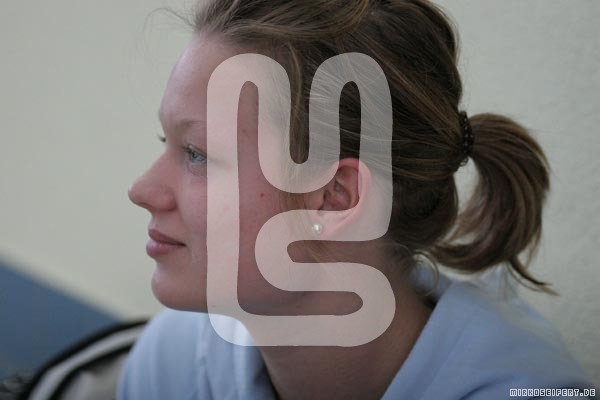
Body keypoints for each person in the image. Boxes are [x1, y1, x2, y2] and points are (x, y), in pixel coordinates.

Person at [120, 0, 597, 399]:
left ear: (335, 198)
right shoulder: (172, 364)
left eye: (197, 153)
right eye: (167, 142)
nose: (142, 190)